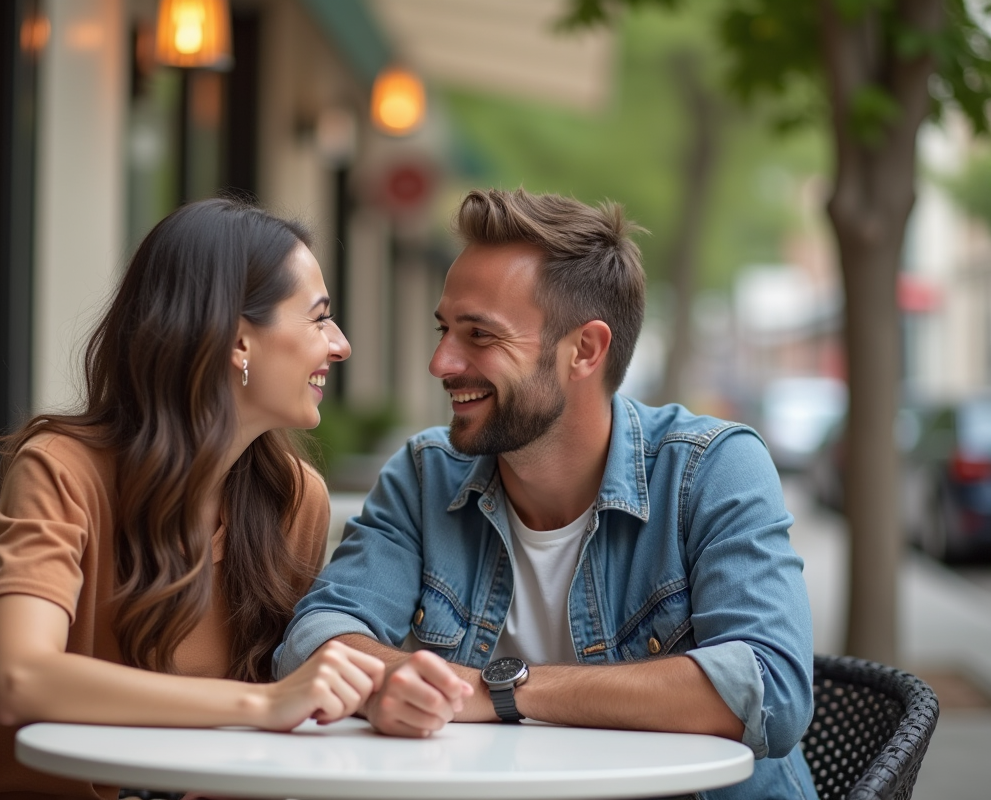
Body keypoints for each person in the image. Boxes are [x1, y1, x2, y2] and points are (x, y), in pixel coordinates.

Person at [274, 188, 818, 799]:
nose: (440, 362)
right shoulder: (426, 474)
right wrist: (399, 684)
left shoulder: (710, 469)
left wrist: (501, 691)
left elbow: (770, 689)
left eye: (479, 335)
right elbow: (312, 639)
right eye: (444, 328)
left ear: (583, 350)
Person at [0, 198, 385, 800]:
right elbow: (22, 678)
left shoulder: (295, 501)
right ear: (238, 342)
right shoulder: (62, 470)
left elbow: (253, 749)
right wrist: (265, 703)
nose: (340, 345)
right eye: (319, 318)